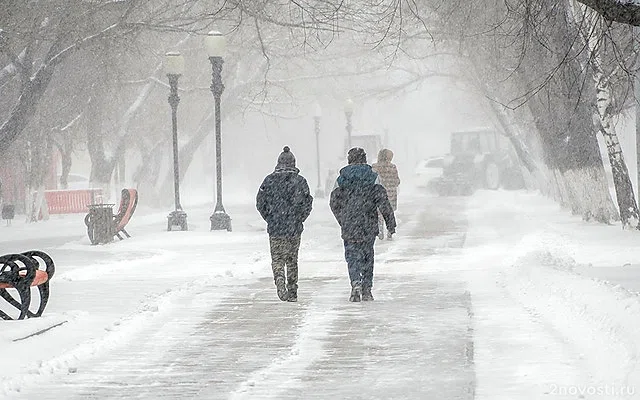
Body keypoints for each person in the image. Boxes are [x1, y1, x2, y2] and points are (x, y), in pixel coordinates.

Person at [330, 147, 396, 302]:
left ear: (349, 159)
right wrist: (390, 223)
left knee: (352, 255)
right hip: (368, 222)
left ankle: (355, 281)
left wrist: (342, 218)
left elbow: (333, 202)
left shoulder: (341, 179)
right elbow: (383, 201)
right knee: (367, 255)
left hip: (349, 224)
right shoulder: (373, 177)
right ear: (364, 159)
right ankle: (367, 288)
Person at [256, 146, 313, 302]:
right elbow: (307, 202)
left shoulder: (269, 181)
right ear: (293, 163)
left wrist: (270, 217)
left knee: (277, 258)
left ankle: (279, 279)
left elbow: (260, 202)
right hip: (294, 227)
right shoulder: (300, 181)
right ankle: (293, 289)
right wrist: (300, 218)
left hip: (275, 227)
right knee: (292, 259)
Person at [371, 148, 400, 240]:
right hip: (390, 193)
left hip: (378, 193)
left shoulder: (374, 167)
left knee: (378, 213)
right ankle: (390, 231)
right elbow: (397, 181)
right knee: (389, 212)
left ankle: (380, 230)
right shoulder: (392, 167)